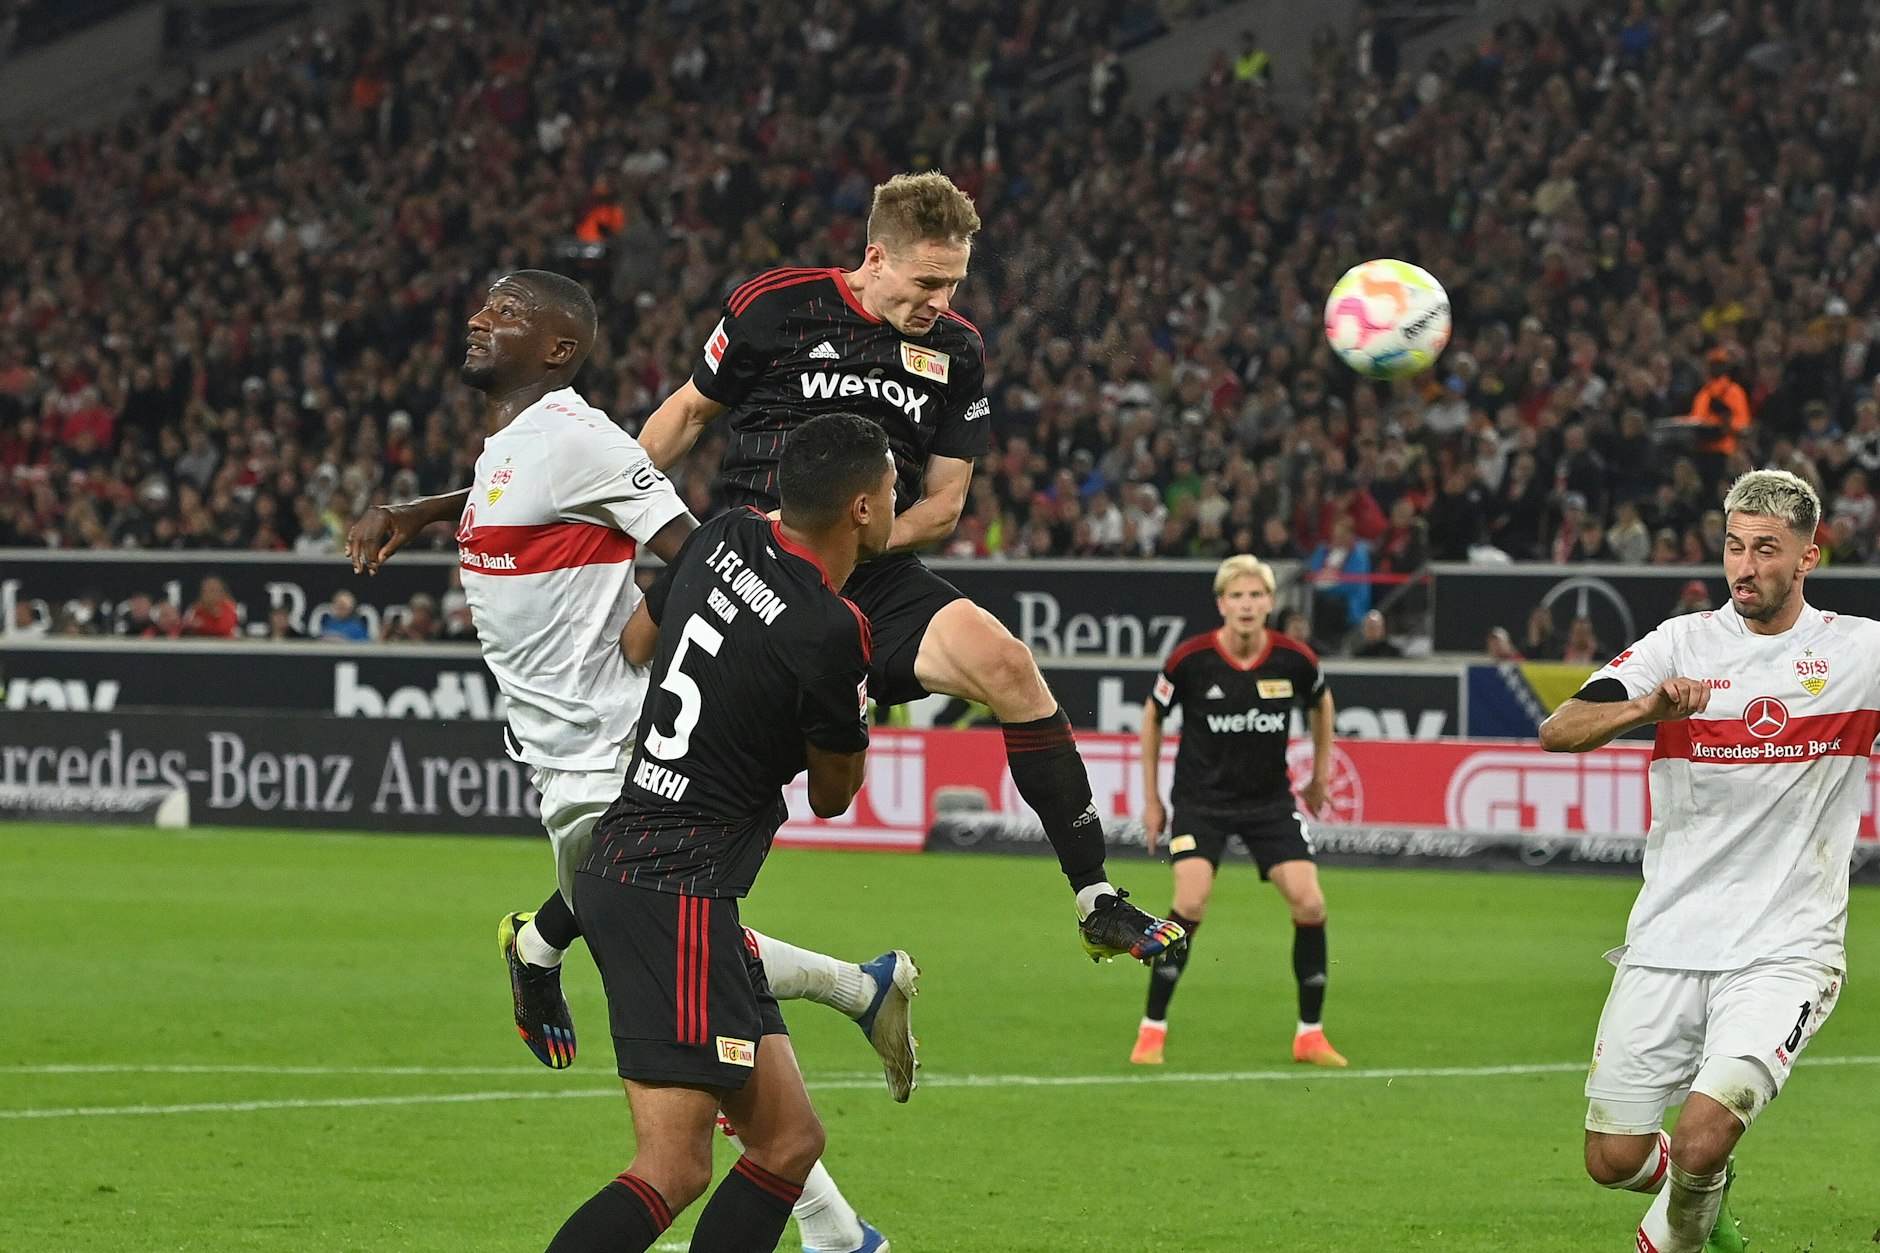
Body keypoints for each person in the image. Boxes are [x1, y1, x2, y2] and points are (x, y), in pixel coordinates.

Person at [347, 272, 903, 1253]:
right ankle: (846, 1006)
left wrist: (705, 623)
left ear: (557, 349)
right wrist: (420, 509)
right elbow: (827, 782)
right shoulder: (538, 446)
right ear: (864, 506)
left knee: (767, 1132)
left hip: (615, 795)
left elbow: (677, 573)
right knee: (680, 1150)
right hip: (634, 810)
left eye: (506, 312)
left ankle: (836, 1218)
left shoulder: (604, 460)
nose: (479, 317)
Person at [638, 171, 1183, 965]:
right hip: (754, 567)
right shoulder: (778, 304)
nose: (940, 299)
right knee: (691, 796)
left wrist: (850, 547)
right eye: (927, 280)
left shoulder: (956, 349)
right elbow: (685, 414)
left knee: (1008, 662)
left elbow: (943, 505)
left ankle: (1096, 896)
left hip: (872, 566)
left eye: (954, 281)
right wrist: (616, 507)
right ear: (875, 256)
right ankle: (554, 935)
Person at [549, 413, 891, 1253]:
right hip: (680, 893)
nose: (895, 500)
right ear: (859, 508)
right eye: (890, 487)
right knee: (673, 1167)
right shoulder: (829, 627)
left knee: (789, 1142)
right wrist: (852, 711)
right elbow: (837, 794)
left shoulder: (726, 534)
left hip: (640, 871)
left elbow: (639, 639)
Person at [1539, 469, 1874, 1253]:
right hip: (1668, 939)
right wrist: (1644, 708)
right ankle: (1708, 1191)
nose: (1744, 566)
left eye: (1766, 549)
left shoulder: (1856, 651)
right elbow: (1561, 728)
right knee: (1612, 1158)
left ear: (1807, 558)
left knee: (1698, 1139)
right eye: (1734, 546)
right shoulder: (1679, 644)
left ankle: (1681, 1228)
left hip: (1786, 948)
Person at [1130, 556, 1346, 1068]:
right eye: (1237, 596)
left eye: (1256, 596)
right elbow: (1152, 717)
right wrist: (1153, 799)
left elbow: (1323, 704)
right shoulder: (1191, 659)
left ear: (1270, 603)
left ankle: (1310, 1035)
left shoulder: (1295, 659)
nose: (1247, 606)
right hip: (1201, 804)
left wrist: (1319, 775)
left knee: (1311, 904)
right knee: (1191, 906)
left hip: (1269, 803)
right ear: (1221, 604)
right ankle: (1151, 1030)